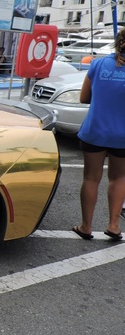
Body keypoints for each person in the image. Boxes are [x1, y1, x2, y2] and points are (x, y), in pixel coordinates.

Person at [72, 27, 125, 241]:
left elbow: (84, 98)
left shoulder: (98, 64)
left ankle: (86, 226)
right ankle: (113, 225)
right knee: (119, 177)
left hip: (95, 130)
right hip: (122, 135)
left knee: (91, 178)